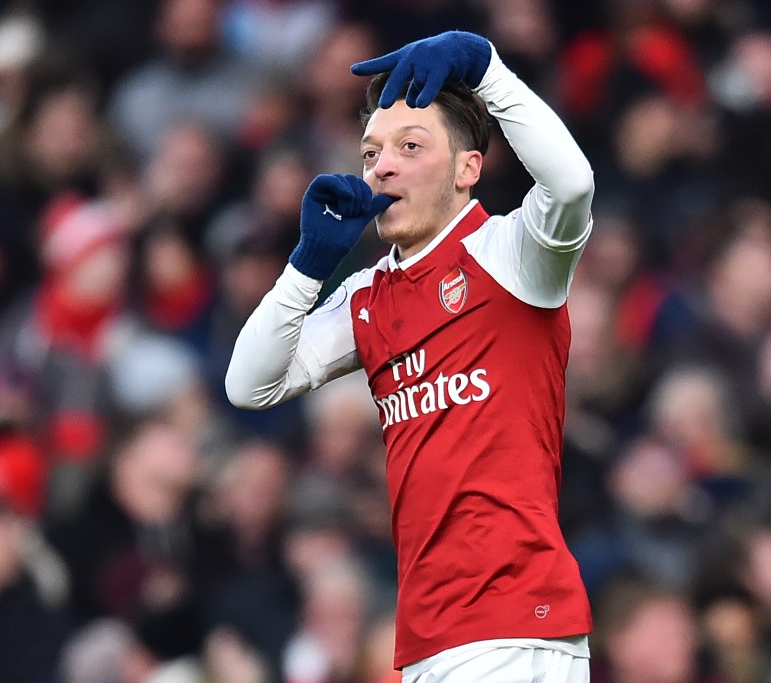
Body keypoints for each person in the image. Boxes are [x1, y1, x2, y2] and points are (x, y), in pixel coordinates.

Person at [227, 30, 595, 682]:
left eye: (410, 146)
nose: (382, 167)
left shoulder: (513, 255)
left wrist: (487, 71)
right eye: (371, 152)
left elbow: (570, 185)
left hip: (509, 622)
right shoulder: (367, 297)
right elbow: (248, 385)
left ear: (467, 168)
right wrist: (307, 264)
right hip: (432, 632)